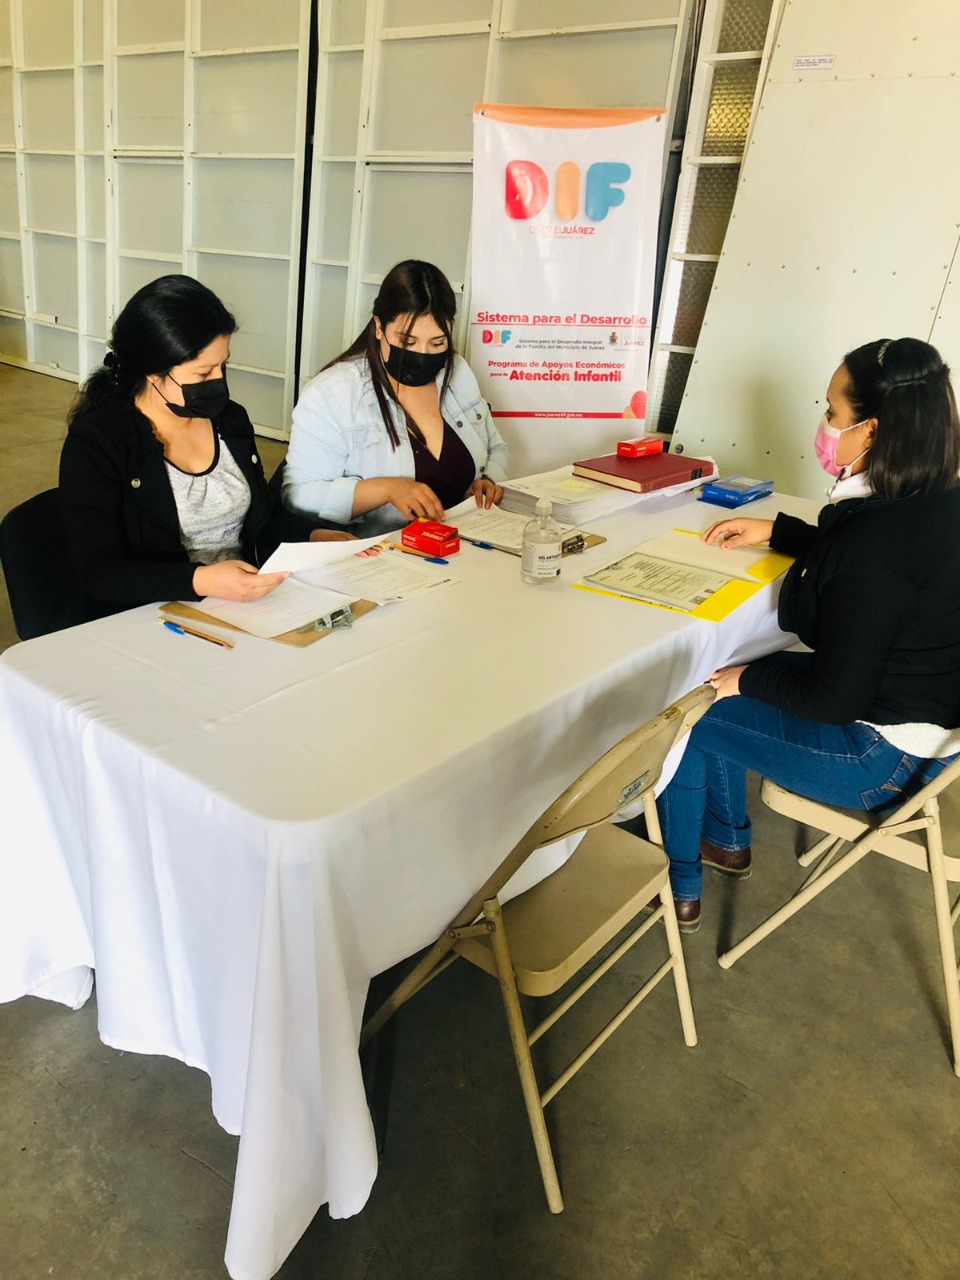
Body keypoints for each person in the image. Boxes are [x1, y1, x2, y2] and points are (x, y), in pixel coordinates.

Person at [658, 337, 960, 933]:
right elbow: (877, 568)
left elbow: (835, 697)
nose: (823, 424)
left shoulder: (874, 546)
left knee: (685, 708)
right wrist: (781, 531)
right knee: (720, 677)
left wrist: (747, 680)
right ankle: (725, 839)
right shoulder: (937, 498)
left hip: (881, 759)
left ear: (872, 431)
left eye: (831, 411)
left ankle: (679, 885)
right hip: (936, 736)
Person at [60, 275, 351, 615]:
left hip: (246, 603)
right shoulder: (99, 442)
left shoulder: (230, 420)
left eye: (223, 366)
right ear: (152, 372)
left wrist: (314, 534)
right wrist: (201, 581)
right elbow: (100, 573)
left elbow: (262, 517)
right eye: (203, 373)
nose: (218, 381)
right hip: (156, 613)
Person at [283, 259, 510, 535]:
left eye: (438, 343)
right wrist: (385, 489)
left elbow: (496, 446)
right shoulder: (333, 393)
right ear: (379, 327)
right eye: (407, 342)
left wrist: (488, 481)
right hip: (380, 553)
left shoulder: (457, 373)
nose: (423, 354)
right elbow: (299, 495)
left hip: (464, 543)